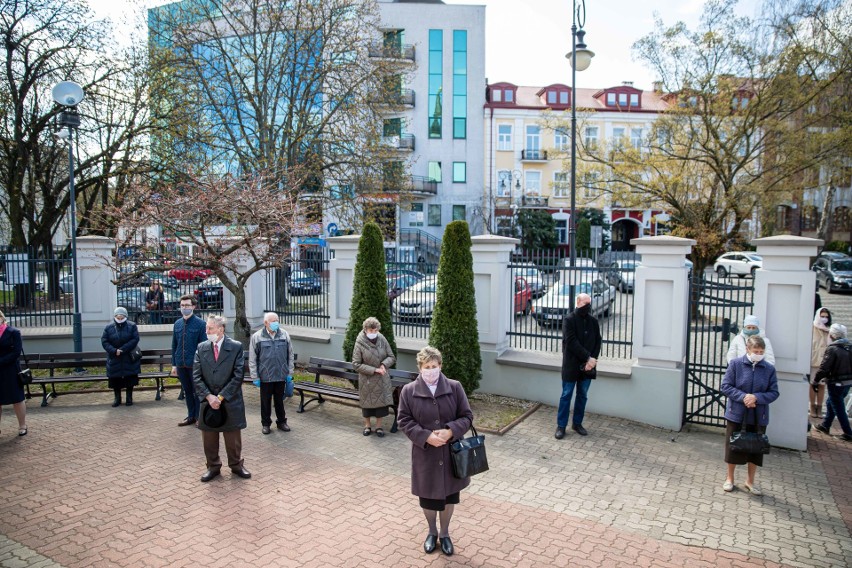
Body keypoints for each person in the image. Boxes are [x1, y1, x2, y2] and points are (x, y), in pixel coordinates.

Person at [397, 346, 473, 557]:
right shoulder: (409, 391)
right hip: (425, 455)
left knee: (449, 498)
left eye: (434, 366)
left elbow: (467, 416)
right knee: (428, 498)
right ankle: (432, 532)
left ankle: (445, 534)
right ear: (420, 368)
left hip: (451, 455)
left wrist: (451, 431)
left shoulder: (455, 387)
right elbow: (403, 420)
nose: (431, 370)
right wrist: (426, 436)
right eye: (426, 367)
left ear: (440, 366)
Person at [193, 315, 250, 482]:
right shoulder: (202, 347)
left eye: (210, 328)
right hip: (208, 400)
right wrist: (209, 397)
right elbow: (196, 376)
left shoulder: (235, 347)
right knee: (209, 438)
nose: (207, 332)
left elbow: (238, 375)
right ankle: (213, 466)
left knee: (232, 437)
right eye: (206, 328)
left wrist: (221, 396)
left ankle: (236, 465)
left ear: (221, 329)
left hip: (229, 400)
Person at [720, 336, 779, 495]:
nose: (758, 354)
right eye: (756, 351)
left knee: (756, 449)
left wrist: (757, 398)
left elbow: (774, 392)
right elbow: (726, 386)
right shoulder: (736, 364)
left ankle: (750, 481)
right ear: (748, 349)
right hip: (737, 413)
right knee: (733, 446)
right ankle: (730, 478)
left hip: (759, 415)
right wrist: (743, 397)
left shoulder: (768, 369)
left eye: (761, 351)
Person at [555, 292, 601, 439]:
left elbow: (597, 341)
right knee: (566, 395)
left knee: (582, 395)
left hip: (588, 366)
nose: (587, 307)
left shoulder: (593, 321)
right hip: (571, 365)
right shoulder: (569, 320)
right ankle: (561, 426)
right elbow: (571, 342)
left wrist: (592, 360)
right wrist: (587, 357)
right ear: (578, 303)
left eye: (589, 304)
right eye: (585, 304)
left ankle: (577, 423)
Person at [248, 312, 293, 435]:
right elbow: (252, 359)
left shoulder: (284, 334)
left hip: (280, 375)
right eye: (273, 321)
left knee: (279, 401)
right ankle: (266, 424)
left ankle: (282, 422)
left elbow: (290, 355)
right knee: (265, 402)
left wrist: (289, 373)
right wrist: (255, 376)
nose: (276, 323)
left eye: (277, 320)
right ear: (266, 323)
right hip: (265, 376)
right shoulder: (257, 337)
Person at [352, 317, 396, 437]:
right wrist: (374, 370)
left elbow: (391, 356)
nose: (373, 333)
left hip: (382, 377)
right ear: (365, 330)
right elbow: (356, 364)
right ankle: (367, 426)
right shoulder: (359, 342)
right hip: (367, 379)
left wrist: (383, 365)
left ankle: (379, 426)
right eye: (371, 331)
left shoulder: (382, 339)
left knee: (380, 404)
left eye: (375, 330)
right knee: (367, 404)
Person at [171, 294, 206, 426]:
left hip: (195, 365)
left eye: (187, 305)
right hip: (181, 364)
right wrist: (174, 364)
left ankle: (199, 416)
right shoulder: (177, 324)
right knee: (187, 391)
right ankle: (190, 415)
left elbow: (203, 347)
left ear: (193, 306)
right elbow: (174, 344)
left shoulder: (201, 324)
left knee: (197, 391)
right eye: (182, 305)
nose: (184, 308)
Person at [813, 324, 852, 442]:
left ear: (831, 335)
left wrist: (815, 381)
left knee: (838, 407)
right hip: (848, 382)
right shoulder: (849, 347)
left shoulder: (832, 349)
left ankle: (848, 432)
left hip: (836, 382)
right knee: (831, 402)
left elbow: (824, 368)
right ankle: (825, 425)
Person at [101, 307, 141, 407]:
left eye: (121, 317)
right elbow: (104, 341)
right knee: (115, 379)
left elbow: (135, 339)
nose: (119, 318)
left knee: (130, 378)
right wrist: (114, 351)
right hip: (115, 357)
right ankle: (117, 398)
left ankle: (129, 398)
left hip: (128, 356)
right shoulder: (108, 327)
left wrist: (122, 349)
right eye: (117, 317)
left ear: (125, 316)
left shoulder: (132, 326)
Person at [0, 311, 27, 436]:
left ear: (1, 318)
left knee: (17, 398)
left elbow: (16, 352)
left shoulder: (13, 332)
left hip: (10, 370)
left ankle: (22, 425)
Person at [809, 308, 832, 418]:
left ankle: (819, 407)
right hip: (814, 361)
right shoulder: (812, 328)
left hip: (825, 363)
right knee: (813, 384)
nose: (824, 319)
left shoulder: (829, 330)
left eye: (826, 317)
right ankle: (812, 406)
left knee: (822, 385)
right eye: (822, 316)